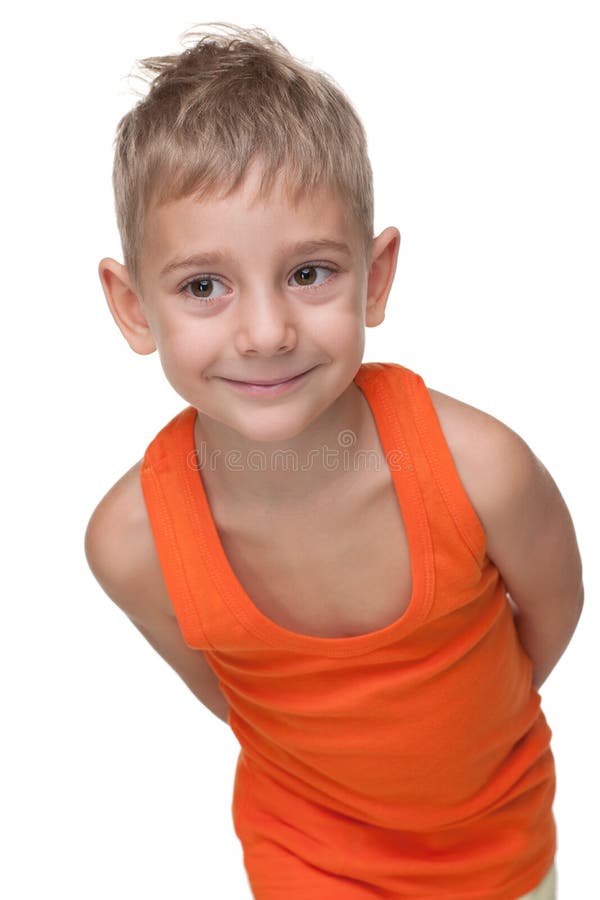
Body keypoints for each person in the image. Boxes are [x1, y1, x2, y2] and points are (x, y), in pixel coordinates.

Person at [84, 23, 583, 899]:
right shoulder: (133, 543)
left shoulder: (480, 469)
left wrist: (465, 743)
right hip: (308, 861)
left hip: (501, 842)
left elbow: (552, 612)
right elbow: (242, 705)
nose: (267, 332)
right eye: (205, 286)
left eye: (309, 273)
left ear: (375, 277)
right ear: (132, 308)